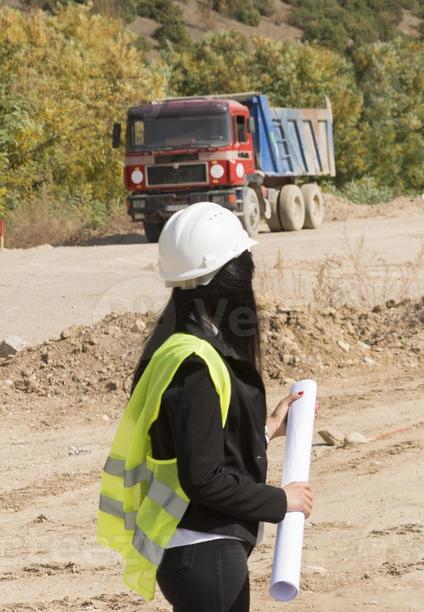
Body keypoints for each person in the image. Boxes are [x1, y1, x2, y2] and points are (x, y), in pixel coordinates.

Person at [98, 202, 314, 610]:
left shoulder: (176, 347)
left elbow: (190, 443)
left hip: (191, 550)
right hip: (203, 552)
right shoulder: (195, 363)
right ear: (233, 273)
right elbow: (203, 478)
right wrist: (280, 502)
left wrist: (266, 427)